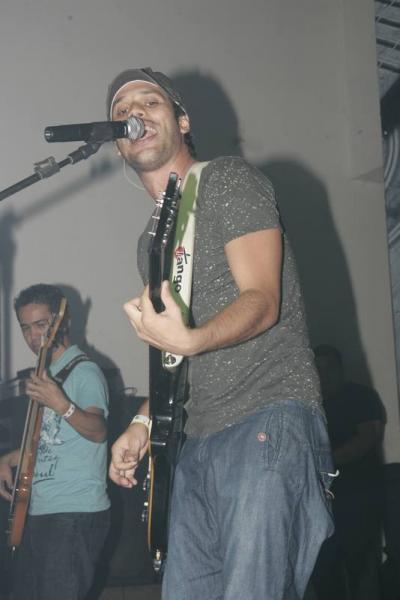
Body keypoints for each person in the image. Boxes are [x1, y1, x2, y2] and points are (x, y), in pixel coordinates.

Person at [108, 67, 334, 600]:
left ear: (182, 121)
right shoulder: (150, 241)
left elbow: (263, 300)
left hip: (265, 417)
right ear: (117, 143)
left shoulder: (227, 180)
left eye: (150, 102)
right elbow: (178, 352)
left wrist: (190, 339)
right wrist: (142, 421)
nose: (134, 114)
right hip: (196, 443)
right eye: (121, 112)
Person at [0, 284, 110, 600]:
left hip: (74, 513)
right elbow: (51, 441)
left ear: (63, 322)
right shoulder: (49, 372)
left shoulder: (84, 371)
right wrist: (9, 458)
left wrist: (62, 404)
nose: (33, 336)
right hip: (41, 511)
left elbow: (98, 430)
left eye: (41, 324)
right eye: (25, 327)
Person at [312, 344, 385, 600]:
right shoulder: (309, 405)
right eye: (318, 369)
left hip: (359, 496)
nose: (324, 375)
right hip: (321, 502)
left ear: (340, 369)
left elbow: (368, 438)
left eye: (329, 368)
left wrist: (325, 463)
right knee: (324, 572)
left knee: (362, 569)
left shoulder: (361, 396)